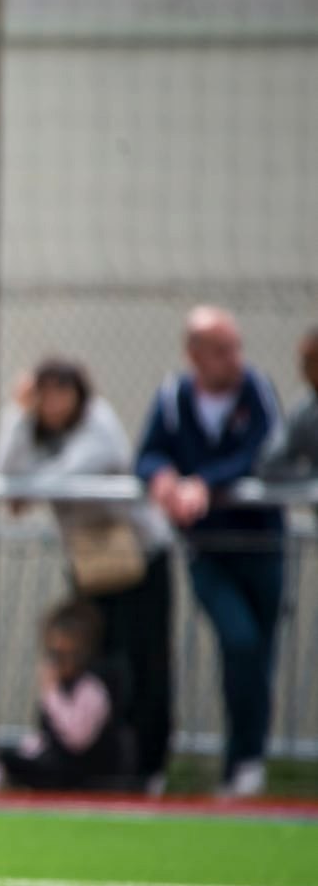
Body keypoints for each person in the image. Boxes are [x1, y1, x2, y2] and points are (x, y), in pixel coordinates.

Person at [0, 357, 175, 792]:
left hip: (140, 560)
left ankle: (149, 767)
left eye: (62, 391)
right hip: (91, 564)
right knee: (94, 664)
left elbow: (61, 479)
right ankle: (102, 766)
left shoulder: (100, 423)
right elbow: (7, 475)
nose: (53, 403)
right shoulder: (37, 429)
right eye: (45, 393)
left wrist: (28, 485)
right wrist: (16, 414)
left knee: (145, 663)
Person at [136, 306, 285, 797]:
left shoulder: (255, 391)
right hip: (208, 548)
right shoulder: (173, 397)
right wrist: (161, 477)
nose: (233, 359)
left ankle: (245, 761)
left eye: (236, 347)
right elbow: (149, 451)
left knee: (257, 653)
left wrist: (205, 482)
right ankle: (238, 759)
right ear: (195, 354)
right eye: (221, 350)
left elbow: (264, 451)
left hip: (259, 545)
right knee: (237, 639)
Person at [0, 601, 132, 792]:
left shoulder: (92, 688)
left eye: (66, 654)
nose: (59, 662)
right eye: (53, 654)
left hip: (87, 769)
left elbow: (77, 738)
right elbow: (47, 735)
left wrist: (51, 694)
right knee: (7, 760)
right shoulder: (60, 687)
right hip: (60, 764)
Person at [259, 326, 318, 489]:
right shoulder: (306, 411)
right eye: (304, 361)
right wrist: (312, 476)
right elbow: (270, 464)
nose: (304, 369)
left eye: (312, 360)